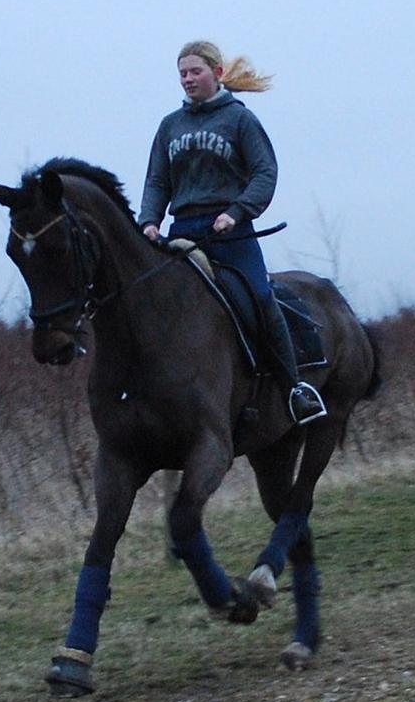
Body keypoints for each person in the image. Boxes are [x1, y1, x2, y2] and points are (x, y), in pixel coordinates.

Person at [138, 40, 327, 426]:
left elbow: (264, 174)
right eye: (182, 73)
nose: (188, 79)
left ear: (217, 73)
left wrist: (236, 212)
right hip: (182, 233)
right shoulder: (169, 126)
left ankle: (294, 390)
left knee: (259, 296)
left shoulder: (240, 120)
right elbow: (157, 180)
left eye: (195, 71)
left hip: (231, 234)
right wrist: (149, 220)